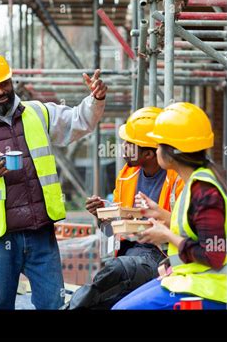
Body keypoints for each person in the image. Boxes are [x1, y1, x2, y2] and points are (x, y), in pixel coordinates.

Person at [0, 51, 108, 310]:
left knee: (53, 303)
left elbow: (78, 121)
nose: (1, 91)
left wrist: (95, 99)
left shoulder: (36, 113)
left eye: (5, 83)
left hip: (40, 234)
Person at [112, 102, 227, 310]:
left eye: (159, 146)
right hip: (204, 279)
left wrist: (166, 235)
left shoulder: (205, 190)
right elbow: (197, 234)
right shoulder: (199, 181)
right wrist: (161, 218)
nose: (155, 151)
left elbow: (213, 255)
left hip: (220, 288)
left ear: (171, 153)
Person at [66, 107, 184, 309]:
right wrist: (102, 216)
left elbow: (188, 229)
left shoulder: (178, 180)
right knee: (106, 296)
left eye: (130, 144)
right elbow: (112, 232)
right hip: (129, 255)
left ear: (148, 153)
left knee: (117, 272)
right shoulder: (127, 175)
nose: (123, 147)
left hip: (163, 259)